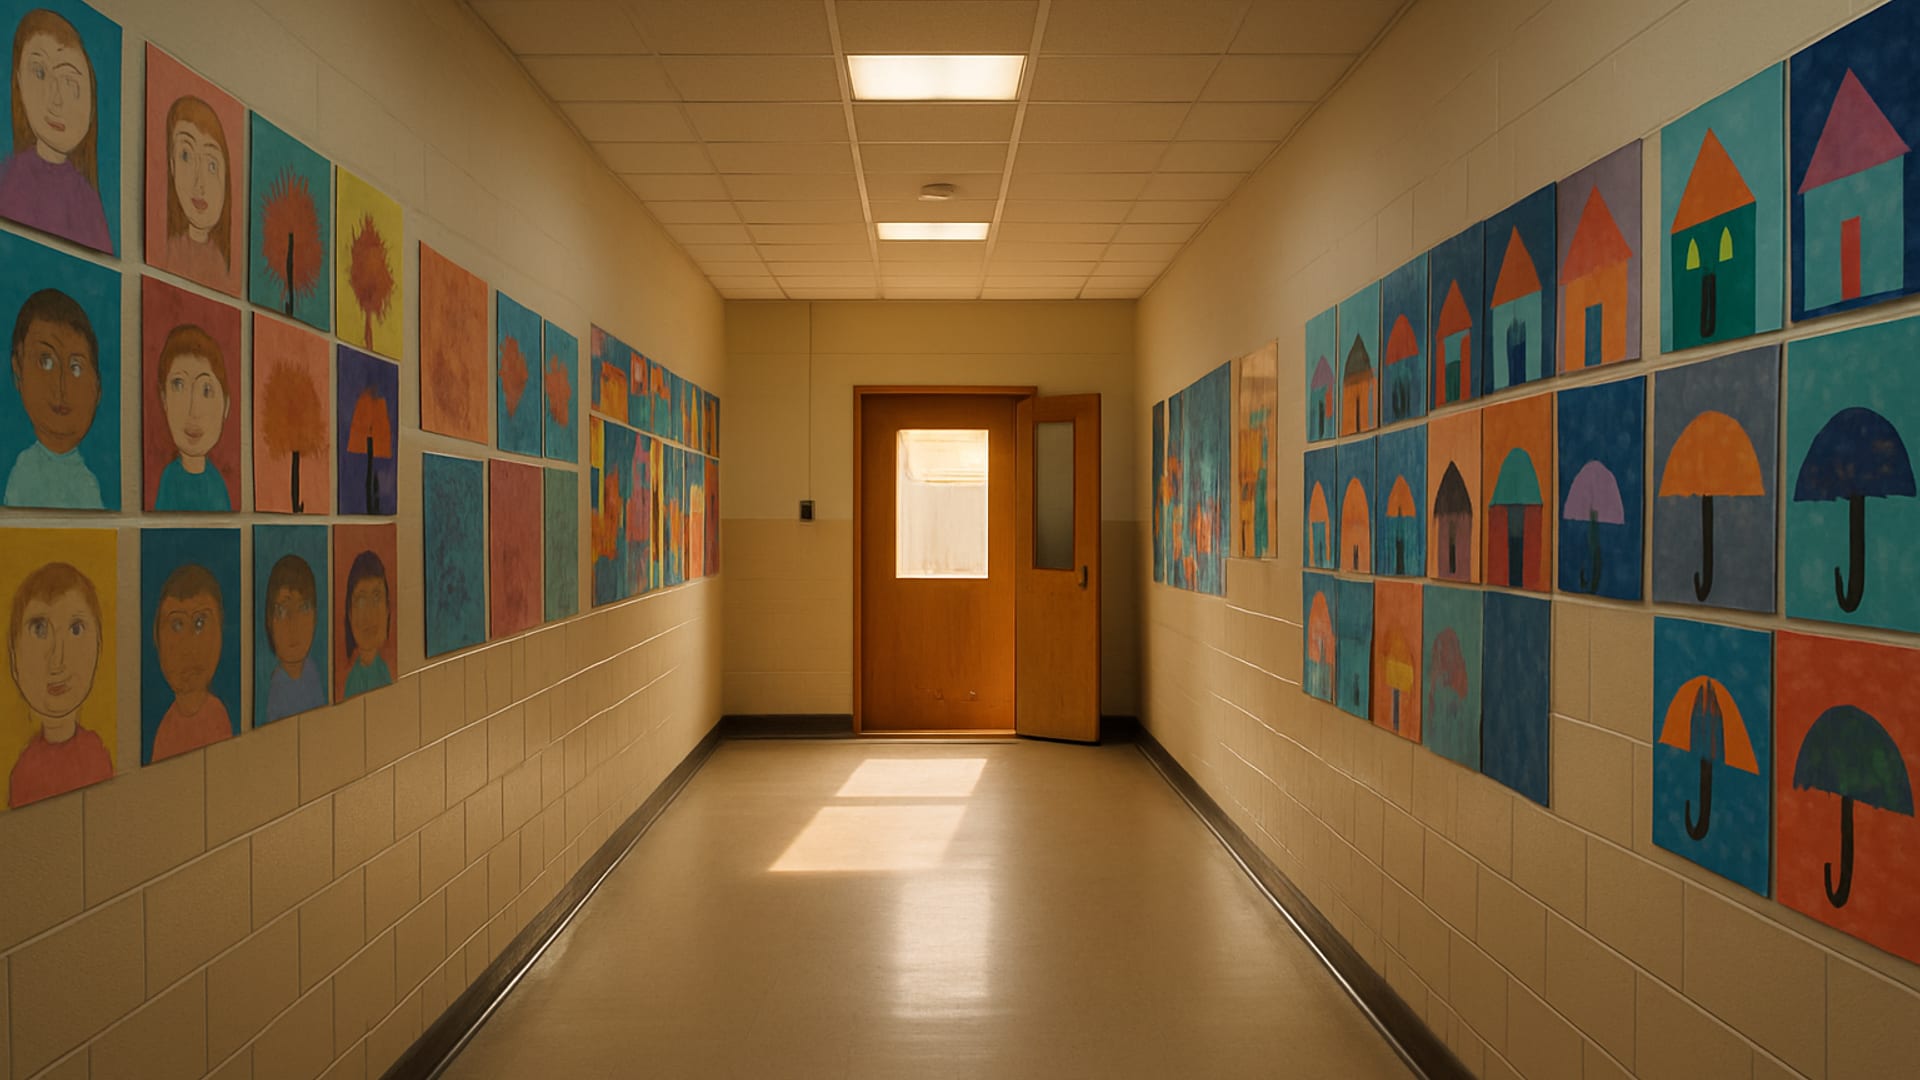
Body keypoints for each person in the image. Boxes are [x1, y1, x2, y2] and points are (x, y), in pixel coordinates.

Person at [0, 9, 110, 252]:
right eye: (39, 73)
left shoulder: (87, 200)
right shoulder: (10, 180)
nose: (56, 99)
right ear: (18, 81)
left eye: (70, 82)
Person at [8, 560, 111, 807]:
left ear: (98, 646)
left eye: (76, 629)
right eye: (39, 629)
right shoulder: (24, 772)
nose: (58, 660)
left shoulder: (96, 753)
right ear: (13, 658)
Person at [5, 287, 101, 508]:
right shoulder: (25, 473)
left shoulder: (88, 483)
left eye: (76, 368)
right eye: (46, 362)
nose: (61, 386)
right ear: (18, 368)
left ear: (98, 389)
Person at [150, 562, 231, 761]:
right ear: (157, 639)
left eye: (200, 623)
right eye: (177, 625)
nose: (189, 647)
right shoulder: (166, 728)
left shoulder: (215, 718)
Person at [151, 323, 231, 511]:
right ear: (164, 399)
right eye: (178, 385)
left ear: (226, 405)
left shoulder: (217, 484)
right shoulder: (170, 482)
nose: (193, 410)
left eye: (206, 389)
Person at [160, 95, 229, 284]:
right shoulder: (170, 251)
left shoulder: (221, 264)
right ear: (172, 166)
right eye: (186, 155)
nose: (200, 183)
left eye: (212, 165)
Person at [263, 553, 325, 721]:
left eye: (304, 608)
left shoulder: (312, 672)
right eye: (282, 611)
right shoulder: (276, 686)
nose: (294, 623)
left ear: (315, 617)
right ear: (269, 621)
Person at [341, 549, 391, 698]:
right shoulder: (352, 681)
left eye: (377, 598)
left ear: (388, 609)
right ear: (350, 613)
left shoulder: (384, 671)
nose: (369, 614)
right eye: (361, 601)